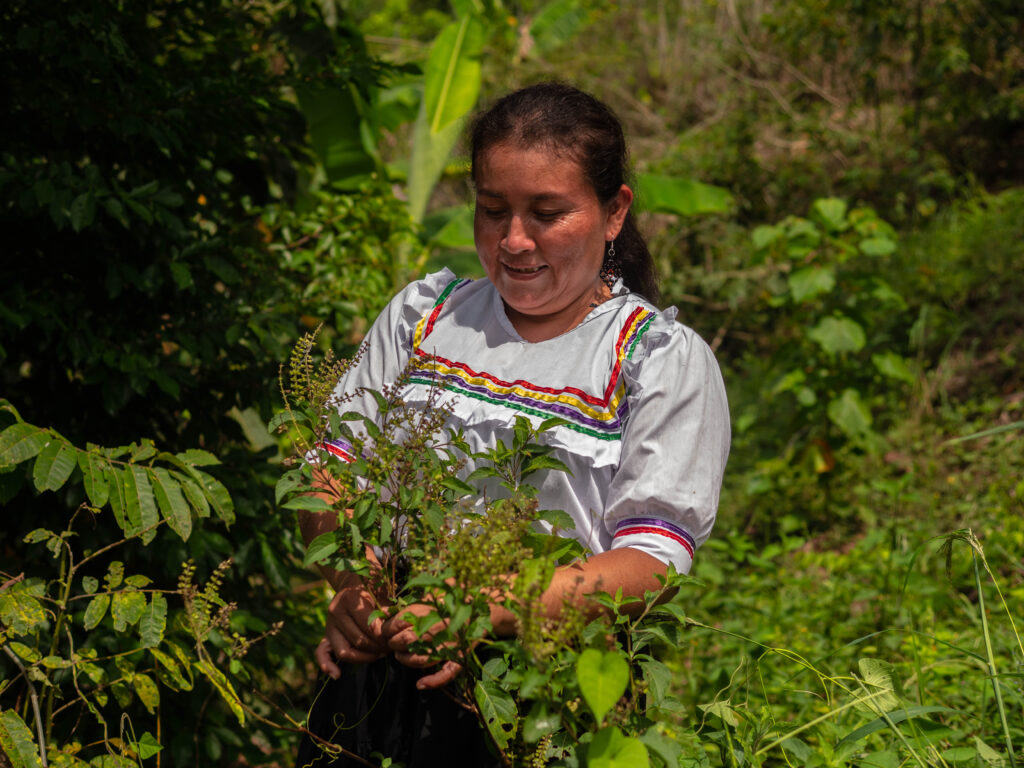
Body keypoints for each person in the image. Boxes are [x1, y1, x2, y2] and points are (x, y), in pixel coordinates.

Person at [295, 82, 730, 767]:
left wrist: (486, 607)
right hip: (380, 673)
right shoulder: (423, 317)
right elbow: (331, 470)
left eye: (547, 213)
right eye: (492, 210)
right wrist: (355, 586)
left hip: (542, 689)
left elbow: (653, 558)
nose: (515, 240)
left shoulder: (655, 360)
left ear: (614, 212)